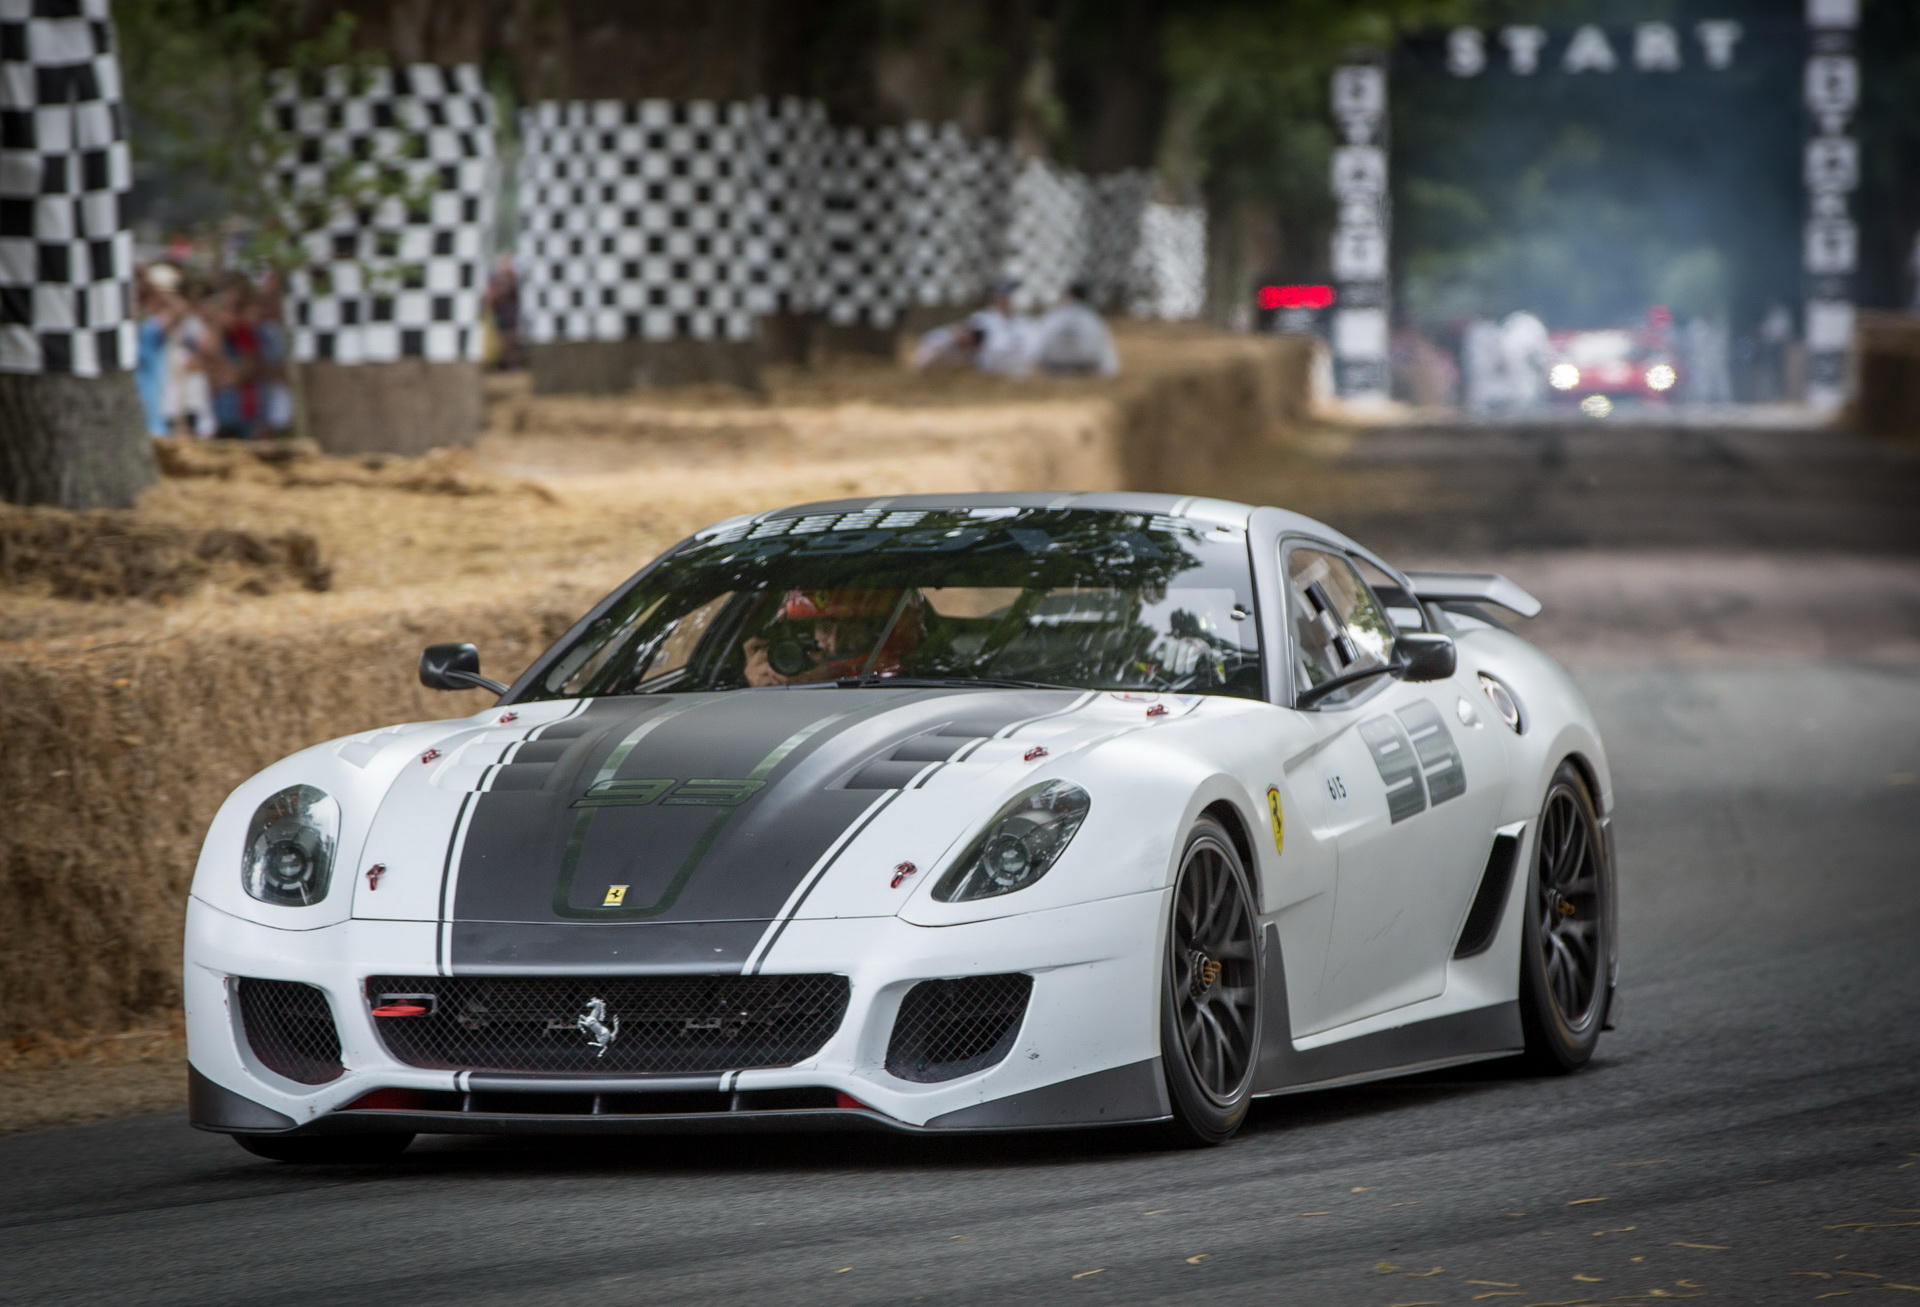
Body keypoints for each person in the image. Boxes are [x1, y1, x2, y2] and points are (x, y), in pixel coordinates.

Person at [742, 589, 925, 686]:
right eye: (825, 627)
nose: (834, 642)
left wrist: (824, 682)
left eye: (852, 629)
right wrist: (759, 687)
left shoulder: (919, 682)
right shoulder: (793, 672)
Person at [1028, 280, 1119, 377]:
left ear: (1069, 293)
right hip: (1086, 369)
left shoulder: (1053, 317)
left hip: (1056, 368)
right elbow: (1106, 355)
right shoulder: (1094, 319)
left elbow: (1037, 347)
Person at [971, 279, 1035, 377]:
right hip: (987, 375)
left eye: (1007, 297)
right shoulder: (980, 320)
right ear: (992, 299)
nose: (1005, 300)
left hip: (1019, 376)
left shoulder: (1024, 322)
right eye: (1001, 297)